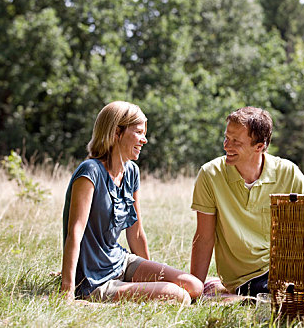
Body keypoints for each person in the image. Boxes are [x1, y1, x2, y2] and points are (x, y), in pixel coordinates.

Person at [61, 101, 203, 305]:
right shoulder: (90, 172)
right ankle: (89, 300)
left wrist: (149, 274)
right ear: (116, 132)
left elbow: (135, 233)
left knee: (194, 286)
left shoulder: (131, 172)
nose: (144, 140)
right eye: (138, 132)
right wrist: (67, 291)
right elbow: (75, 232)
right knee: (177, 295)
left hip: (120, 262)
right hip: (95, 281)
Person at [190, 106, 304, 298]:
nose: (226, 145)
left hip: (287, 268)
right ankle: (217, 290)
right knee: (287, 298)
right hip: (246, 278)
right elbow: (204, 238)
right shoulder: (210, 174)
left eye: (236, 142)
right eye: (226, 138)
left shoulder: (287, 172)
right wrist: (194, 290)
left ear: (259, 147)